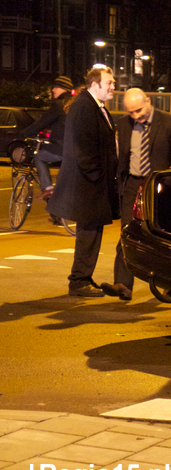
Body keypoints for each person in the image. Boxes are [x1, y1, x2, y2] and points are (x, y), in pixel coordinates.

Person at [102, 88, 171, 301]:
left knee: (165, 236)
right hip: (132, 184)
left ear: (148, 101)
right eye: (131, 112)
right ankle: (123, 284)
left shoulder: (169, 122)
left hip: (158, 185)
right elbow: (122, 157)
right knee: (127, 231)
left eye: (139, 110)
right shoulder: (123, 124)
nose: (136, 115)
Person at [47, 66, 119, 298]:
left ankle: (83, 278)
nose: (113, 86)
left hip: (92, 184)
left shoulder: (94, 106)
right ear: (94, 85)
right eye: (109, 82)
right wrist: (98, 177)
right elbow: (83, 149)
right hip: (89, 186)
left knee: (91, 234)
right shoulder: (84, 106)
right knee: (88, 234)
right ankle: (79, 281)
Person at [18, 76, 73, 214]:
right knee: (62, 182)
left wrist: (24, 133)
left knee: (39, 157)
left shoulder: (58, 105)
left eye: (56, 87)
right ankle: (57, 215)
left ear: (63, 89)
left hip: (62, 148)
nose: (53, 90)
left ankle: (48, 188)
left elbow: (42, 122)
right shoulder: (73, 104)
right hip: (73, 149)